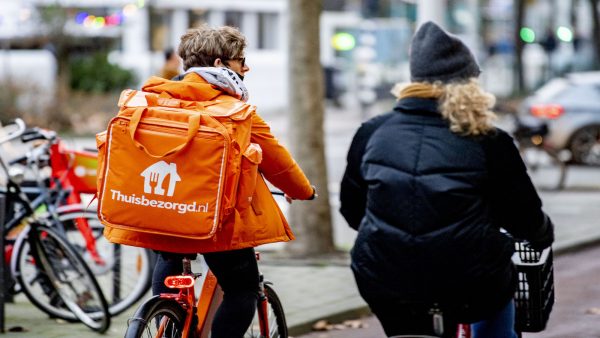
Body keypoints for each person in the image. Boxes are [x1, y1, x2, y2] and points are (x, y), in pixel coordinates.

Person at [340, 21, 554, 338]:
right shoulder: (488, 140)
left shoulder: (372, 131)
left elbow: (352, 209)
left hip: (385, 277)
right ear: (468, 84)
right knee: (495, 298)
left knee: (401, 319)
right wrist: (541, 234)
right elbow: (522, 214)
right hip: (470, 280)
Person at [147, 25, 316, 338]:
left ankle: (165, 318)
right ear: (220, 66)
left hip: (160, 211)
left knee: (169, 254)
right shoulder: (237, 112)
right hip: (214, 223)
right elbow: (277, 161)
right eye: (241, 60)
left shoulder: (155, 100)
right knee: (242, 289)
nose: (246, 67)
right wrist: (304, 192)